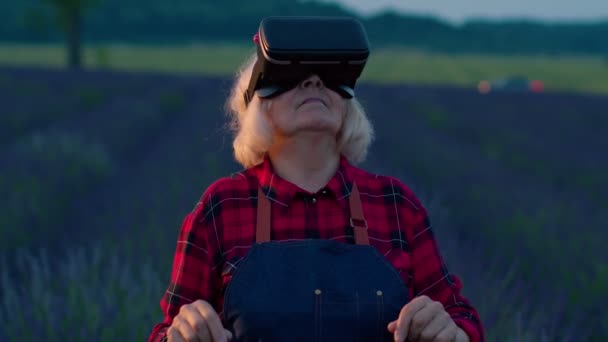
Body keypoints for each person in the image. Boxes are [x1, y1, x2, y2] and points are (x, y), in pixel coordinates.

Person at [149, 17, 484, 342]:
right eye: (291, 74)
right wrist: (181, 334)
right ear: (258, 104)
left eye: (329, 73)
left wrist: (452, 331)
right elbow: (167, 330)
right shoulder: (221, 207)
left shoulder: (396, 204)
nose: (313, 82)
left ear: (347, 103)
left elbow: (459, 317)